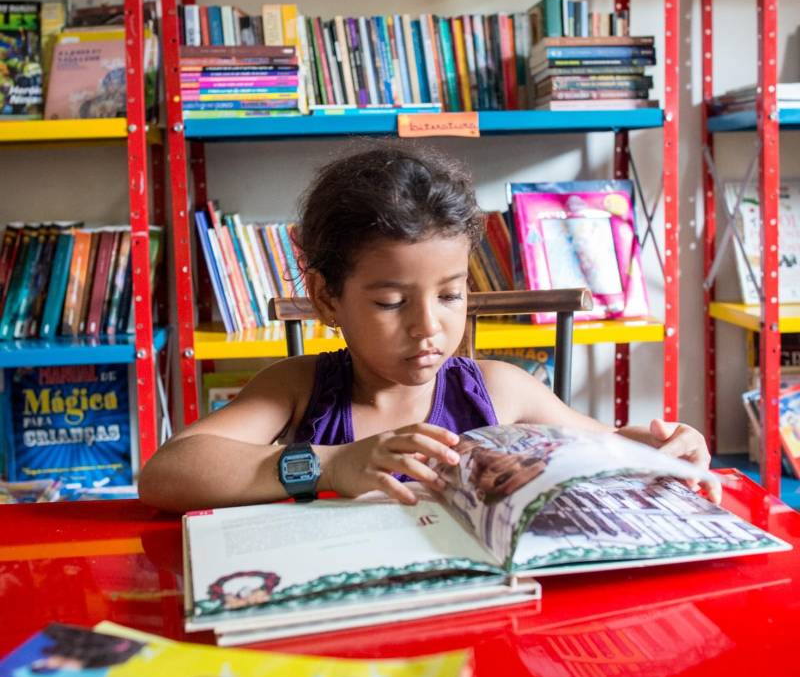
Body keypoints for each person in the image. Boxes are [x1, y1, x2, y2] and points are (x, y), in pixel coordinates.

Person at [139, 143, 715, 513]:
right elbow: (167, 474)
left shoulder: (499, 389)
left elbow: (599, 447)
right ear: (326, 297)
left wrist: (663, 449)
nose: (428, 327)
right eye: (391, 301)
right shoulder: (298, 388)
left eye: (450, 295)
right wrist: (335, 463)